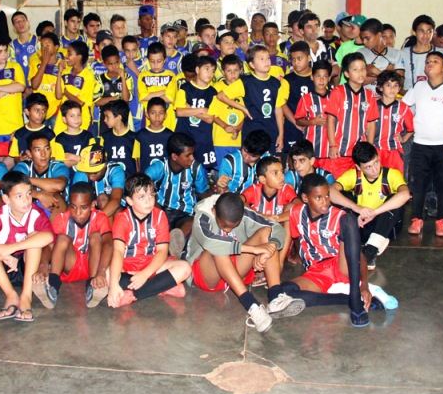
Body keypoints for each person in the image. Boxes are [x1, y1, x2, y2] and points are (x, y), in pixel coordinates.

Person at [284, 174, 397, 328]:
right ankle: (347, 298)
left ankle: (356, 302)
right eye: (318, 198)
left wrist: (364, 285)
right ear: (305, 198)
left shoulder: (338, 216)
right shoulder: (296, 213)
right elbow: (294, 236)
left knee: (350, 220)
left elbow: (359, 255)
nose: (325, 202)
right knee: (285, 292)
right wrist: (295, 254)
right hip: (316, 271)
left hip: (341, 265)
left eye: (327, 196)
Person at [185, 193, 305, 333]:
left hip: (234, 271)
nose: (227, 230)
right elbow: (212, 243)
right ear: (214, 211)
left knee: (267, 233)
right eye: (224, 225)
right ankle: (252, 306)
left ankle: (275, 298)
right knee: (218, 248)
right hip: (206, 274)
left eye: (232, 227)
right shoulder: (203, 216)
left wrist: (269, 248)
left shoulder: (245, 214)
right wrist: (254, 250)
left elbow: (276, 228)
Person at [0, 171, 53, 323]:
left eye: (28, 194)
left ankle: (26, 296)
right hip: (2, 270)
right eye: (19, 196)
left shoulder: (35, 213)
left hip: (25, 269)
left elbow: (49, 236)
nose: (26, 200)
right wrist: (4, 255)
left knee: (35, 238)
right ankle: (11, 295)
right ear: (6, 199)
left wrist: (12, 248)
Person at [404, 52, 443, 236]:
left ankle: (441, 219)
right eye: (428, 61)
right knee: (419, 184)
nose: (430, 64)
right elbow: (404, 108)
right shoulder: (419, 87)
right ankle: (417, 218)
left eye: (435, 61)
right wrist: (409, 131)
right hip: (420, 145)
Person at [107, 174, 192, 308]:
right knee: (108, 274)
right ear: (129, 201)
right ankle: (161, 287)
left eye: (151, 195)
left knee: (185, 268)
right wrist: (112, 286)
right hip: (127, 268)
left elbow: (162, 252)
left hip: (153, 266)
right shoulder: (122, 218)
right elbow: (117, 252)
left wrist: (145, 274)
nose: (148, 201)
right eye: (142, 197)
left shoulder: (160, 216)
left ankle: (133, 295)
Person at [33, 182, 112, 309]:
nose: (78, 212)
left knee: (96, 236)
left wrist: (101, 272)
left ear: (93, 205)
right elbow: (48, 245)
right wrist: (42, 266)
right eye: (73, 207)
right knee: (62, 238)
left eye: (84, 207)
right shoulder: (62, 219)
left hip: (92, 266)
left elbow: (108, 243)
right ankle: (52, 286)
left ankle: (92, 286)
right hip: (69, 265)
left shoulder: (100, 218)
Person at [332, 142, 410, 270]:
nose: (374, 169)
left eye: (376, 162)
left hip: (387, 226)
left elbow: (406, 195)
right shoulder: (353, 175)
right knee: (343, 196)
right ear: (358, 167)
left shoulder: (391, 174)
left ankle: (370, 251)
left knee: (396, 200)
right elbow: (330, 191)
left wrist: (374, 213)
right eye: (368, 167)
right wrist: (357, 208)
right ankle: (373, 243)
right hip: (362, 224)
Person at [144, 132, 210, 254]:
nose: (192, 158)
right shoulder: (159, 167)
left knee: (192, 223)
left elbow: (203, 193)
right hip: (161, 210)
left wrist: (217, 194)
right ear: (174, 157)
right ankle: (166, 245)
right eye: (188, 155)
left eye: (193, 154)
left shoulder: (196, 169)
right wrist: (156, 205)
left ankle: (171, 248)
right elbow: (140, 183)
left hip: (184, 214)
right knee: (153, 220)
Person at [217, 44, 289, 153]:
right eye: (261, 59)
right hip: (252, 131)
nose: (266, 61)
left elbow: (278, 109)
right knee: (252, 163)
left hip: (271, 130)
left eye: (268, 58)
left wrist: (281, 134)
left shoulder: (275, 82)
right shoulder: (245, 81)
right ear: (252, 64)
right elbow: (221, 96)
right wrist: (243, 108)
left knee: (270, 164)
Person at [325, 53, 379, 179]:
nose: (360, 73)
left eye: (363, 68)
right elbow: (330, 120)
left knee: (359, 188)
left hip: (360, 154)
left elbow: (371, 124)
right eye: (355, 69)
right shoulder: (338, 92)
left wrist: (369, 149)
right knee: (339, 186)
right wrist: (333, 145)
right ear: (347, 74)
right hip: (340, 151)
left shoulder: (369, 95)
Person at [174, 55, 218, 171]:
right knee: (183, 169)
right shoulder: (185, 88)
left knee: (203, 172)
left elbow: (210, 118)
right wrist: (202, 110)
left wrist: (190, 108)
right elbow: (179, 112)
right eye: (207, 69)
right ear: (197, 70)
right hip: (185, 136)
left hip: (203, 138)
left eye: (213, 70)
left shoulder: (213, 92)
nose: (210, 73)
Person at [12, 132, 71, 214]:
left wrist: (25, 180)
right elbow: (12, 185)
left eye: (46, 149)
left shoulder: (58, 166)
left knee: (56, 196)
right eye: (38, 150)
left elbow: (59, 185)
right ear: (29, 153)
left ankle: (53, 227)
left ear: (50, 150)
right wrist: (39, 195)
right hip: (29, 208)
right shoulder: (24, 166)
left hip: (56, 210)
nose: (43, 154)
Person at [295, 59, 334, 174]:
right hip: (312, 151)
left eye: (325, 76)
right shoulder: (306, 99)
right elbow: (299, 121)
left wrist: (332, 122)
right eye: (318, 76)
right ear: (312, 77)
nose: (321, 80)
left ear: (329, 78)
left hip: (330, 151)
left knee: (329, 181)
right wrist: (312, 122)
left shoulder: (336, 97)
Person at [71, 141, 126, 219]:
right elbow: (75, 203)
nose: (90, 177)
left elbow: (115, 201)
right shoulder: (81, 173)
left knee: (103, 199)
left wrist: (95, 222)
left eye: (95, 172)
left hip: (114, 212)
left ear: (105, 165)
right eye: (88, 172)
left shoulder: (115, 171)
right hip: (89, 211)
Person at [54, 41, 99, 134]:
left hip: (80, 118)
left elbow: (80, 102)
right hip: (63, 117)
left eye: (70, 53)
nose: (66, 56)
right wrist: (59, 72)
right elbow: (58, 95)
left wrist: (65, 92)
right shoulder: (65, 72)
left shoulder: (88, 75)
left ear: (79, 56)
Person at [373, 71, 414, 171]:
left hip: (394, 151)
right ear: (380, 87)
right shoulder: (373, 106)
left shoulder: (403, 108)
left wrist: (403, 139)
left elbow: (411, 129)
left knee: (395, 182)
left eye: (396, 85)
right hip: (374, 151)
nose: (392, 88)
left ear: (399, 88)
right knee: (375, 181)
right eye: (388, 85)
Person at [209, 55, 246, 166]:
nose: (233, 74)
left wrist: (238, 128)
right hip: (220, 138)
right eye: (229, 71)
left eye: (236, 70)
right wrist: (225, 126)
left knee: (236, 169)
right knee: (222, 171)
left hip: (238, 139)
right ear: (223, 71)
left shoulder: (244, 88)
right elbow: (211, 113)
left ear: (241, 70)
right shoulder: (216, 88)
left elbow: (247, 113)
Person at [215, 129, 271, 194]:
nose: (246, 157)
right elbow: (221, 191)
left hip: (258, 200)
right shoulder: (229, 162)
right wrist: (221, 185)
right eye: (245, 151)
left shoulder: (267, 161)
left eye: (253, 156)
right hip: (234, 200)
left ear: (261, 154)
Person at [138, 42, 178, 130]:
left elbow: (170, 98)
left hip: (168, 118)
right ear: (148, 60)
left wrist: (150, 95)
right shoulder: (143, 76)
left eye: (159, 61)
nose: (156, 65)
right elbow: (143, 96)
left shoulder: (171, 75)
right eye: (152, 61)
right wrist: (162, 92)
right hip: (149, 119)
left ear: (165, 60)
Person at [94, 44, 132, 136]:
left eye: (116, 62)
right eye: (110, 64)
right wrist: (114, 98)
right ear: (104, 64)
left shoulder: (127, 77)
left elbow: (126, 99)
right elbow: (97, 102)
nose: (114, 66)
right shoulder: (99, 78)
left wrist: (122, 77)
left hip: (123, 118)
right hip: (105, 119)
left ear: (119, 60)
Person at [397, 15, 443, 92]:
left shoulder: (441, 52)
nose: (425, 35)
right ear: (414, 32)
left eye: (429, 31)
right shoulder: (403, 53)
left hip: (433, 97)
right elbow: (398, 79)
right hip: (409, 98)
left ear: (433, 32)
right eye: (421, 31)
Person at [282, 41, 314, 152]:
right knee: (292, 158)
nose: (296, 62)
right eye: (293, 59)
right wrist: (296, 123)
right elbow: (282, 103)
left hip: (314, 126)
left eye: (299, 58)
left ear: (309, 58)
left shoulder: (317, 77)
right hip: (292, 126)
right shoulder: (287, 79)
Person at [357, 19, 401, 89]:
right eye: (363, 39)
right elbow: (357, 82)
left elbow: (399, 82)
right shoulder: (360, 53)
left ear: (379, 35)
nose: (364, 42)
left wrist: (375, 72)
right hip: (366, 97)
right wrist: (385, 73)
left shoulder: (396, 54)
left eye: (367, 38)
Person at [10, 93, 55, 161]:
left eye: (44, 111)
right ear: (27, 111)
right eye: (37, 110)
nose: (41, 114)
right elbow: (15, 157)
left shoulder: (50, 134)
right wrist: (21, 159)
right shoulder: (19, 134)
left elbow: (53, 157)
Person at [100, 99, 140, 177]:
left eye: (107, 117)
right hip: (110, 183)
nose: (104, 120)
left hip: (129, 182)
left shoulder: (135, 138)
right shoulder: (104, 138)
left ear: (118, 117)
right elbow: (102, 164)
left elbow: (138, 165)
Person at [29, 31, 61, 124]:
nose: (44, 48)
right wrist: (44, 63)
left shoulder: (63, 65)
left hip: (56, 112)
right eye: (42, 46)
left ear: (56, 47)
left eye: (48, 45)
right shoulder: (35, 62)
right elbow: (34, 85)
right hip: (39, 111)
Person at [53, 100, 92, 167]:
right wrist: (81, 159)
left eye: (79, 115)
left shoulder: (88, 136)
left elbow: (92, 159)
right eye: (72, 116)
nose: (76, 119)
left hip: (84, 173)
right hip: (66, 173)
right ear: (64, 119)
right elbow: (59, 163)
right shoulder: (60, 139)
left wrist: (72, 157)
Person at [136, 97, 173, 166]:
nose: (157, 116)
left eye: (161, 113)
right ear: (147, 114)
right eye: (153, 113)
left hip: (165, 175)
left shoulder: (170, 135)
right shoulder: (140, 135)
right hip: (146, 175)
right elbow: (137, 159)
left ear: (165, 115)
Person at [10, 11, 36, 84]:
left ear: (28, 22)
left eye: (23, 20)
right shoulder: (11, 46)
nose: (20, 23)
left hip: (37, 86)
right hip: (19, 87)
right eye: (17, 22)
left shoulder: (38, 42)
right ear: (13, 26)